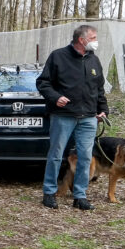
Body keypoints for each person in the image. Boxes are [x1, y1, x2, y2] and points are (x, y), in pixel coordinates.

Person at [37, 24, 109, 211]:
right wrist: (55, 98)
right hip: (63, 116)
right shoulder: (58, 56)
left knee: (85, 157)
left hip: (88, 118)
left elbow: (99, 89)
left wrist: (103, 110)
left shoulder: (94, 60)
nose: (96, 41)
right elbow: (43, 83)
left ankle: (80, 195)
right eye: (93, 38)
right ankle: (49, 193)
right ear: (81, 40)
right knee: (56, 155)